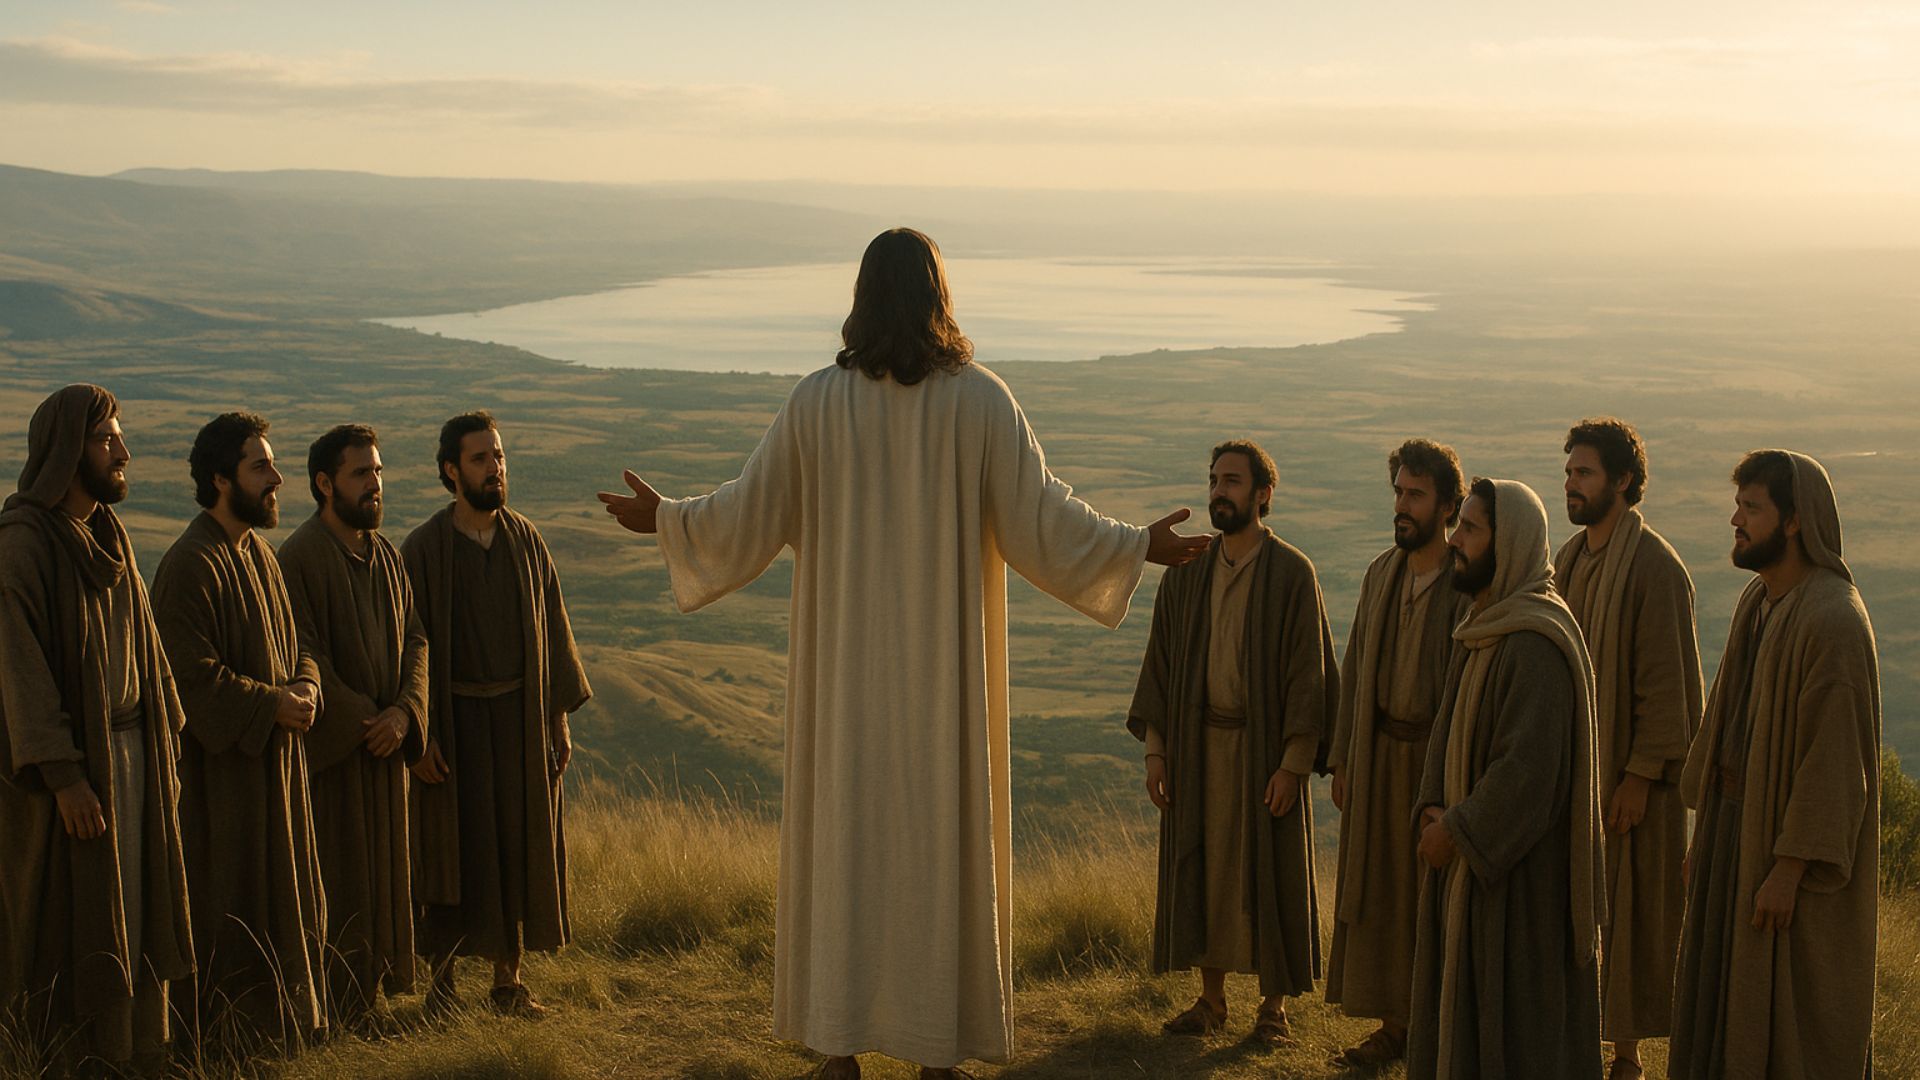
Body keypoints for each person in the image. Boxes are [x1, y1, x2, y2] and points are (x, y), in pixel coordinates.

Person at [597, 227, 1210, 1078]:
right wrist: (1137, 544)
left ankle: (838, 1046)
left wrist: (667, 519)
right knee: (936, 850)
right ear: (937, 296)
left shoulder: (819, 402)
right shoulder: (979, 401)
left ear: (863, 298)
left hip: (845, 681)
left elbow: (745, 511)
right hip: (941, 689)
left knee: (846, 845)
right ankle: (936, 1051)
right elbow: (1043, 518)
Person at [0, 385, 194, 1070]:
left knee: (138, 913)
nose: (123, 452)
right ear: (65, 450)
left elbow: (150, 654)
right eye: (107, 439)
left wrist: (167, 743)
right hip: (76, 775)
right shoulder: (23, 546)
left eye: (119, 436)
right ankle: (75, 1058)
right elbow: (20, 671)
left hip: (136, 758)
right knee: (75, 919)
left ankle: (140, 1051)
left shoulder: (109, 536)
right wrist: (64, 776)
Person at [1669, 450, 1879, 1080]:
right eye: (1738, 505)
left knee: (1789, 1022)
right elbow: (1726, 724)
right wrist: (1707, 836)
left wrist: (1788, 870)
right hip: (1733, 831)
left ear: (1794, 521)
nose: (1736, 520)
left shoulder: (1833, 619)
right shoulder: (1758, 600)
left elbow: (1834, 765)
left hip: (1783, 853)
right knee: (1718, 997)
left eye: (1751, 508)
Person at [1126, 438, 1336, 1048]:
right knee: (1206, 868)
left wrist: (1294, 765)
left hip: (1265, 753)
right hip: (1198, 749)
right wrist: (1157, 752)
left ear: (1263, 494)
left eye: (1233, 482)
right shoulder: (1188, 572)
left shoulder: (1292, 573)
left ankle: (1273, 1008)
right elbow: (1161, 667)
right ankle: (1211, 1000)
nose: (1219, 491)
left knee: (1271, 872)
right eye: (1215, 479)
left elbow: (1309, 677)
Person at [1406, 477, 1603, 1080]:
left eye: (1470, 529)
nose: (1455, 540)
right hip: (1468, 870)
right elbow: (1446, 736)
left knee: (1517, 1035)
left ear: (1509, 543)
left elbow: (1528, 775)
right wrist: (1432, 806)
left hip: (1521, 891)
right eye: (1459, 525)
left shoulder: (1534, 644)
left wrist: (1455, 831)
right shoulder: (1483, 627)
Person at [402, 410, 591, 1017]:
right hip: (453, 726)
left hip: (518, 723)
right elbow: (408, 647)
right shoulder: (423, 549)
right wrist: (419, 735)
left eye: (500, 456)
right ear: (451, 471)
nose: (495, 468)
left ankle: (508, 984)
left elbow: (553, 630)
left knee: (516, 846)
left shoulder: (525, 540)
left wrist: (557, 718)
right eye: (480, 459)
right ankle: (441, 988)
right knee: (451, 850)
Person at [152, 411, 328, 1048]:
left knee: (286, 897)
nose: (277, 479)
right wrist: (271, 705)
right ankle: (223, 1043)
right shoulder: (189, 564)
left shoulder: (261, 556)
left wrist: (306, 686)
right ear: (222, 479)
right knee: (229, 900)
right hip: (222, 786)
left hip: (277, 772)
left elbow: (299, 643)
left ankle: (282, 1031)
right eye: (261, 467)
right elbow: (187, 678)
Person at [1554, 418, 1703, 1079]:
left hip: (1631, 780)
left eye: (1584, 473)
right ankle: (1576, 1039)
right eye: (1569, 472)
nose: (1572, 484)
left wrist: (1640, 775)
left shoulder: (1654, 566)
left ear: (1621, 480)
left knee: (1631, 913)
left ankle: (1626, 1057)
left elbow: (1666, 685)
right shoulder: (1568, 559)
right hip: (1576, 776)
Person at [278, 424, 428, 1029]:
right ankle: (338, 1003)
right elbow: (301, 649)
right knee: (339, 872)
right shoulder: (299, 557)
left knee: (386, 873)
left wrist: (406, 712)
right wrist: (368, 720)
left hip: (386, 746)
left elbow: (416, 639)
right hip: (337, 756)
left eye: (378, 471)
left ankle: (375, 993)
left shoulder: (386, 554)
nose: (375, 484)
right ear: (324, 483)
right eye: (361, 473)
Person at [1324, 438, 1468, 1068]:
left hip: (1437, 766)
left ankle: (1440, 1029)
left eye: (1416, 495)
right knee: (1382, 891)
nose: (1403, 506)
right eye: (1399, 492)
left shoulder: (1467, 582)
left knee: (1432, 895)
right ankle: (1392, 1025)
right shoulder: (1382, 572)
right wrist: (1344, 758)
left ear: (1448, 506)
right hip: (1380, 758)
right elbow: (1355, 668)